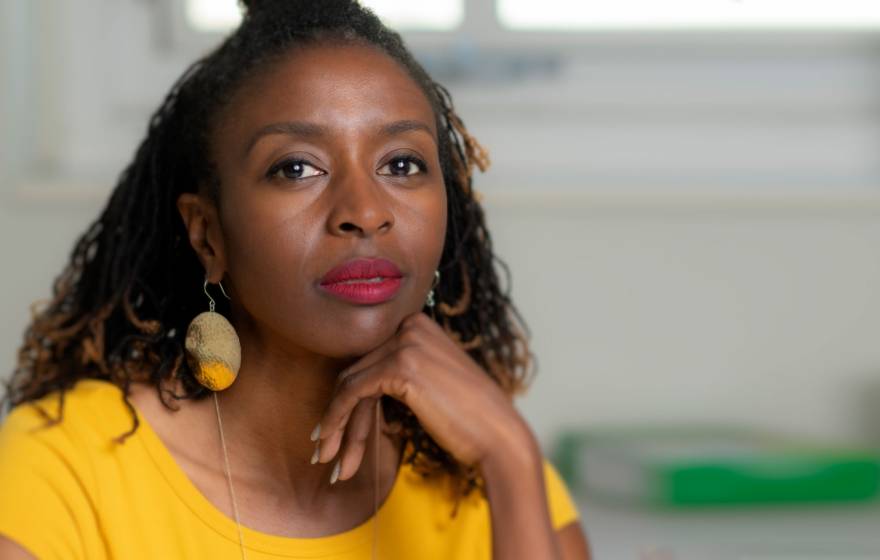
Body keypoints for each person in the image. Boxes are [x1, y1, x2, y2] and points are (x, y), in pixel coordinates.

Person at [0, 1, 591, 558]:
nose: (365, 210)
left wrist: (509, 457)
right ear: (208, 235)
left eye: (401, 163)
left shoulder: (494, 462)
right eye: (297, 168)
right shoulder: (66, 472)